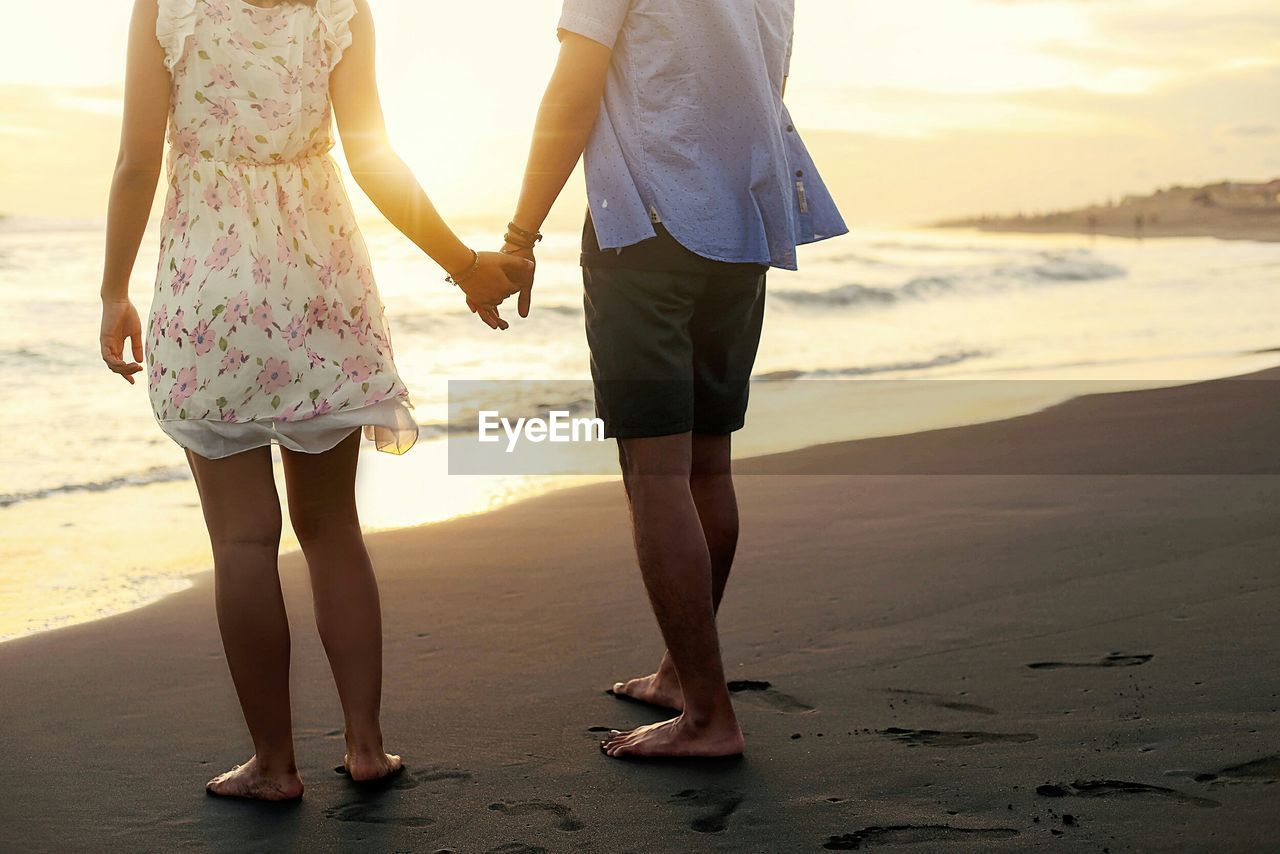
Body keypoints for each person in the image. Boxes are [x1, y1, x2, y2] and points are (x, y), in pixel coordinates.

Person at [97, 0, 530, 800]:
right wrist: (465, 266)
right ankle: (366, 748)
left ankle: (275, 765)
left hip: (212, 286)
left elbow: (135, 160)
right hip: (318, 283)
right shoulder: (338, 8)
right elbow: (375, 160)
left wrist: (112, 291)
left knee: (243, 542)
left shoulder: (169, 7)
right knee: (333, 530)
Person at [501, 0, 846, 758]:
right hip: (743, 219)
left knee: (656, 475)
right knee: (706, 464)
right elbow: (766, 79)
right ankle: (679, 677)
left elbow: (573, 88)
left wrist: (519, 236)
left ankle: (707, 717)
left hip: (649, 225)